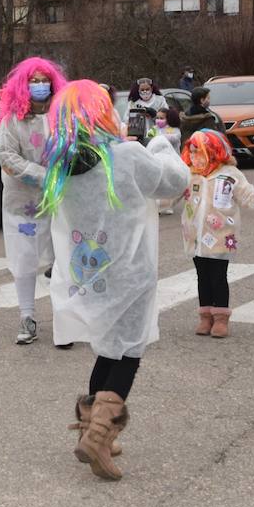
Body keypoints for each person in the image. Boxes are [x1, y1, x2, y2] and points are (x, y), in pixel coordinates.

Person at [38, 80, 189, 480]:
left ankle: (93, 429)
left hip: (90, 273)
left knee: (107, 349)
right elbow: (173, 183)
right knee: (128, 353)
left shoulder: (62, 167)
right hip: (130, 271)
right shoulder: (126, 155)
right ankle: (100, 432)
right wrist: (158, 145)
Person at [0, 56, 68, 346]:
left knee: (62, 259)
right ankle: (27, 315)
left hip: (60, 201)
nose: (40, 86)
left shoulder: (61, 116)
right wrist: (44, 175)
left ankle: (66, 318)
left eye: (44, 80)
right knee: (23, 260)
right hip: (22, 203)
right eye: (33, 81)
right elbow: (7, 157)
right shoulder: (13, 120)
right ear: (23, 86)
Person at [178, 129, 254, 339]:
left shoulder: (229, 173)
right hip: (195, 236)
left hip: (221, 236)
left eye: (199, 151)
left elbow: (247, 193)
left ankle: (221, 318)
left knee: (218, 276)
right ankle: (205, 316)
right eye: (192, 151)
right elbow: (171, 192)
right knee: (202, 276)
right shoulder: (190, 173)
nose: (195, 156)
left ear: (212, 151)